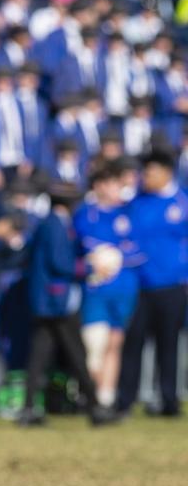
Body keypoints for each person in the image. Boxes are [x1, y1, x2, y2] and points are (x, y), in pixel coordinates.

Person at [20, 183, 119, 427]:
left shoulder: (53, 224)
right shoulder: (56, 226)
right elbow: (60, 264)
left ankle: (30, 407)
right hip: (56, 301)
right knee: (76, 353)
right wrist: (90, 268)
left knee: (40, 355)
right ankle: (95, 408)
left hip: (50, 301)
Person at [118, 148, 188, 417]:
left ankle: (170, 400)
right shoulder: (137, 202)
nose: (144, 177)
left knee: (168, 345)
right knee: (133, 343)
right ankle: (126, 400)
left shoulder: (181, 202)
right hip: (140, 285)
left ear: (166, 172)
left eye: (150, 172)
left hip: (172, 286)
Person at [72, 161, 140, 409]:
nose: (116, 189)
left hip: (124, 288)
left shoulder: (127, 213)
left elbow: (136, 248)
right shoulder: (86, 213)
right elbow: (83, 245)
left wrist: (118, 255)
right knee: (95, 344)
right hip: (96, 289)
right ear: (99, 185)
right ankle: (91, 397)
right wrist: (100, 258)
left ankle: (106, 398)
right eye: (111, 184)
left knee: (114, 342)